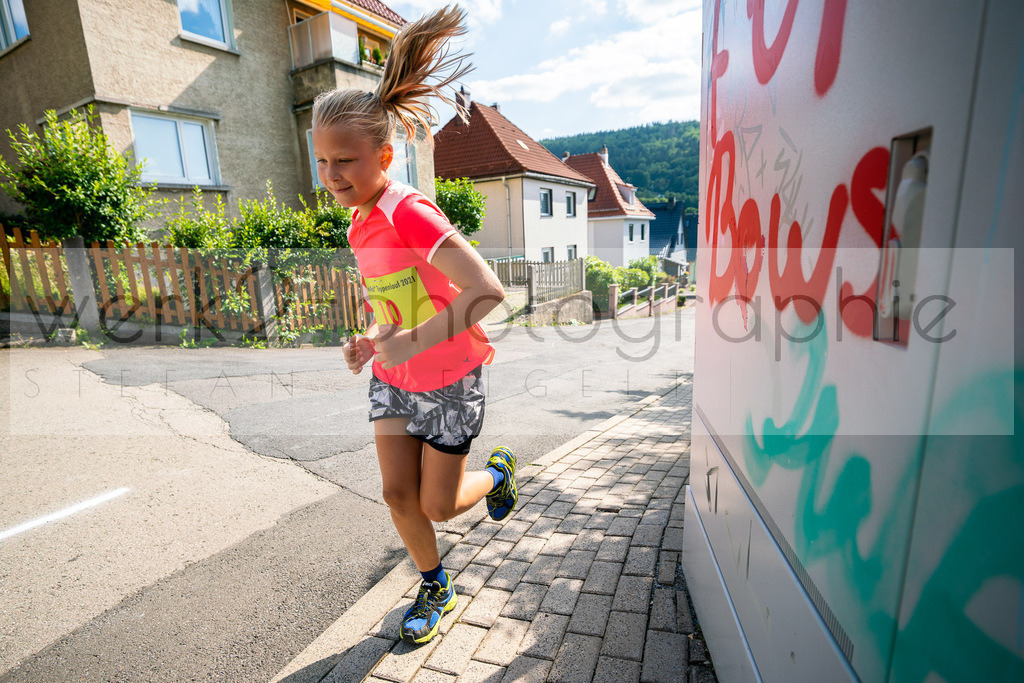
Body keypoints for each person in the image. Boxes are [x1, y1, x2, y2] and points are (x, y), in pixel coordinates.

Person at [310, 5, 517, 646]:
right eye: (322, 162)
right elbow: (396, 306)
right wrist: (371, 342)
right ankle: (436, 585)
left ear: (384, 154)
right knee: (397, 495)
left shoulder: (410, 212)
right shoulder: (358, 220)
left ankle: (498, 475)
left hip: (451, 377)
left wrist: (409, 341)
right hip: (393, 378)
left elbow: (488, 291)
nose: (331, 176)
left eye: (344, 161)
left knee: (437, 504)